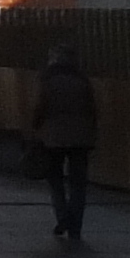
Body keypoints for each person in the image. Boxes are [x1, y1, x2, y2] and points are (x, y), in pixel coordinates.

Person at [31, 45, 98, 243]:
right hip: (81, 137)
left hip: (54, 136)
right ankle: (75, 226)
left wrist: (35, 128)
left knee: (55, 180)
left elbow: (40, 107)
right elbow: (92, 109)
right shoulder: (82, 80)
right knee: (78, 184)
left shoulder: (47, 80)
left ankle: (63, 217)